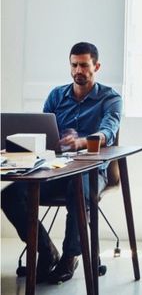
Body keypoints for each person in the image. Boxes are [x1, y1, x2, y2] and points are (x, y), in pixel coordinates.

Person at [1, 42, 122, 284]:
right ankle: (46, 252)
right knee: (10, 196)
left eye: (84, 65)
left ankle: (70, 257)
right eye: (74, 65)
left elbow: (108, 130)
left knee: (77, 191)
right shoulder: (57, 95)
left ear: (96, 66)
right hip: (55, 169)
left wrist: (82, 142)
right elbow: (42, 132)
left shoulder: (110, 98)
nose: (79, 70)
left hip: (91, 170)